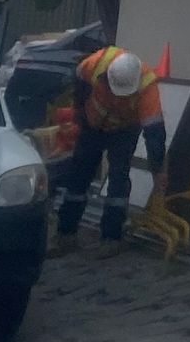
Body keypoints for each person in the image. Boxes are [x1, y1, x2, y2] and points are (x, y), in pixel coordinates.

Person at [52, 46, 167, 246]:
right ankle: (66, 233)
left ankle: (111, 238)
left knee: (118, 181)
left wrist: (157, 169)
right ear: (107, 75)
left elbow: (154, 133)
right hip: (91, 125)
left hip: (124, 131)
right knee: (78, 176)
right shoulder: (96, 63)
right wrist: (79, 112)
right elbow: (77, 82)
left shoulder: (147, 87)